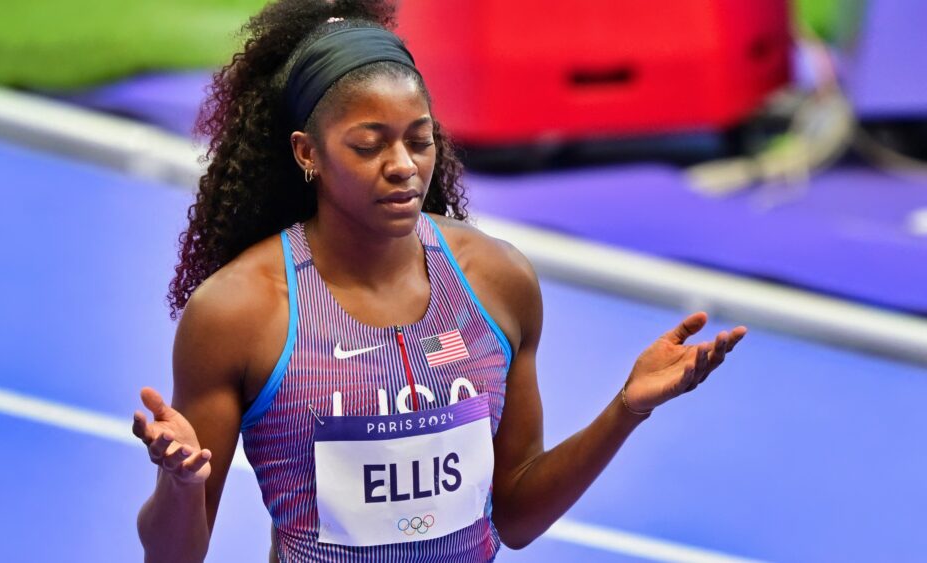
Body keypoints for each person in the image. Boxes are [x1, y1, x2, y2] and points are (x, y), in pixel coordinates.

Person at [132, 1, 747, 561]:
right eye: (369, 146)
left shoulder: (498, 282)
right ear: (307, 153)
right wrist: (181, 484)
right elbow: (173, 558)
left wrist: (624, 410)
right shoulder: (240, 313)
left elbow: (515, 516)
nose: (403, 167)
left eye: (419, 141)